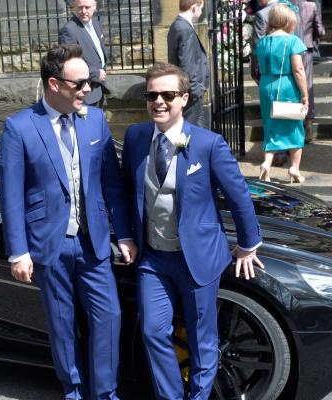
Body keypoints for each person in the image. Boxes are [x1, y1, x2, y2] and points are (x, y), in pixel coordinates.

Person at [0, 44, 137, 400]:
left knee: (109, 316)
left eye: (90, 82)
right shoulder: (19, 127)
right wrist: (18, 252)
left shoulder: (95, 120)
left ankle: (104, 393)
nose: (87, 90)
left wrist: (124, 234)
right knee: (62, 323)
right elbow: (11, 195)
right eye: (79, 84)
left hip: (93, 239)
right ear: (53, 84)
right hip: (49, 242)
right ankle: (73, 392)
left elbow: (112, 184)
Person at [122, 62, 263, 400]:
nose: (159, 102)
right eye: (152, 95)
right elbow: (126, 191)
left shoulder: (208, 143)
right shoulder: (135, 137)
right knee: (153, 332)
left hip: (197, 258)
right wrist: (126, 235)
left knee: (203, 338)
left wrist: (248, 244)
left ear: (184, 99)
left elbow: (238, 195)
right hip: (153, 259)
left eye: (168, 95)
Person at [256, 3, 309, 183]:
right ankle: (294, 168)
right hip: (287, 85)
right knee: (294, 126)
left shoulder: (263, 42)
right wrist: (305, 95)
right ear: (287, 21)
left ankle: (266, 164)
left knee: (270, 125)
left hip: (266, 85)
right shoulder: (292, 41)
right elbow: (298, 70)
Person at [167, 0, 210, 128]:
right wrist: (196, 91)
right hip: (191, 95)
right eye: (201, 8)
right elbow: (187, 65)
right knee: (190, 132)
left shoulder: (177, 25)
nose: (201, 12)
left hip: (187, 92)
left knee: (197, 132)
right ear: (194, 7)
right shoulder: (185, 29)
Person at [59, 0, 109, 107]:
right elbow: (69, 64)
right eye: (80, 7)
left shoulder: (95, 23)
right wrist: (95, 73)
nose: (83, 11)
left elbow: (98, 51)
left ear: (95, 6)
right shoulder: (69, 30)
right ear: (74, 7)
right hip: (83, 94)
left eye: (87, 7)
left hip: (98, 88)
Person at [297, 0, 325, 142]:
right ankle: (308, 124)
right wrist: (312, 36)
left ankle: (294, 125)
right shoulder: (311, 6)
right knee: (307, 85)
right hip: (306, 48)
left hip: (288, 48)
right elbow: (320, 31)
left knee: (292, 83)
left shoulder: (283, 4)